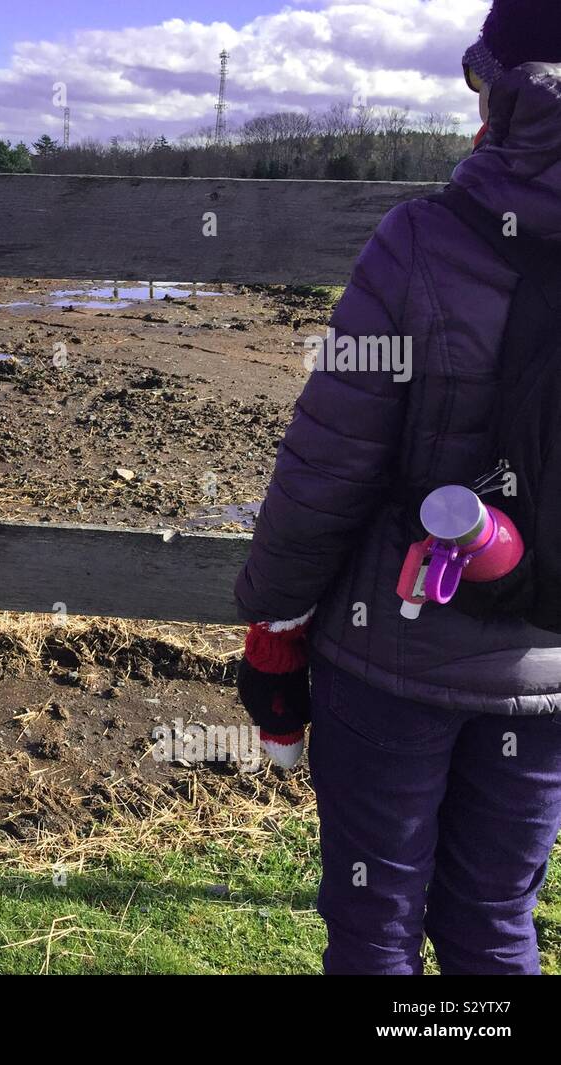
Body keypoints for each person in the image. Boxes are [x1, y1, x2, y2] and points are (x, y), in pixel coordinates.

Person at [235, 0, 561, 975]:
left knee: (376, 926)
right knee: (495, 923)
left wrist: (274, 628)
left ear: (491, 88)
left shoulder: (419, 242)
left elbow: (326, 464)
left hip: (392, 657)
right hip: (548, 672)